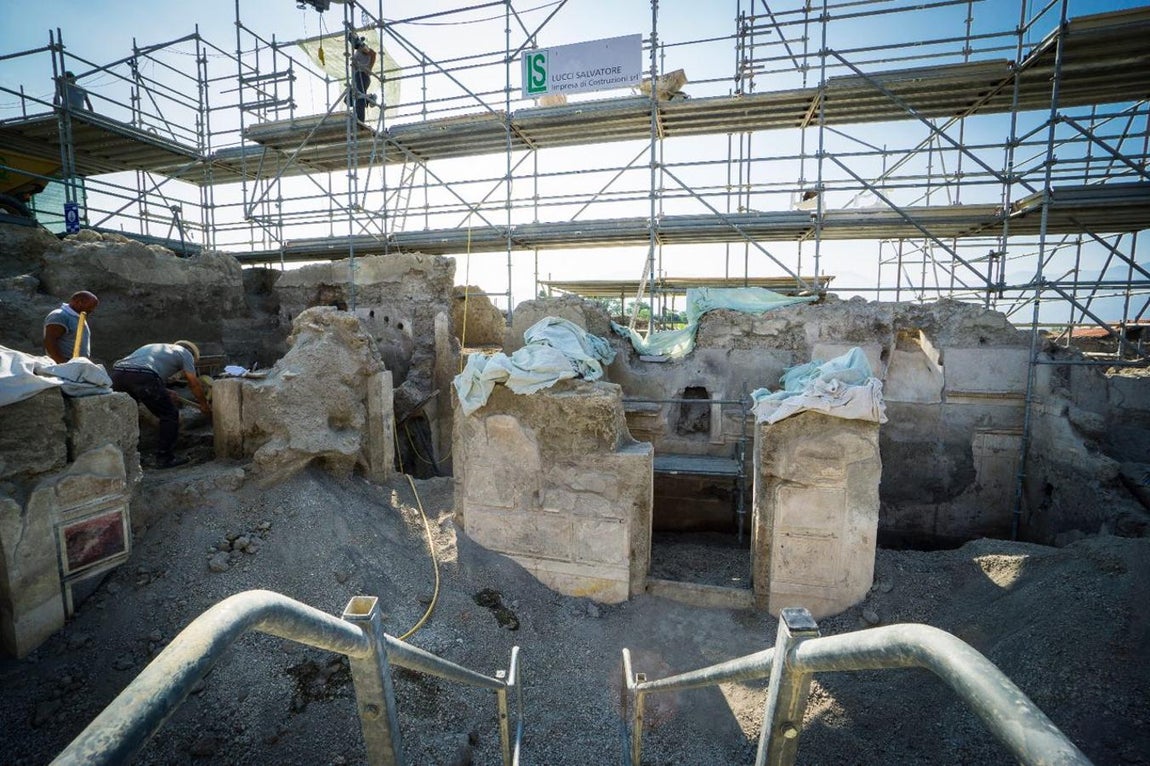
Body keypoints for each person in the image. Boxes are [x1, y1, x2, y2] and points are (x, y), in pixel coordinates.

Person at [110, 340, 211, 469]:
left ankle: (124, 458)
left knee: (128, 417)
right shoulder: (186, 354)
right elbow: (193, 383)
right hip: (142, 377)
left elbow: (138, 373)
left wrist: (164, 391)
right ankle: (165, 458)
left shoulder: (153, 347)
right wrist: (204, 405)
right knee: (169, 414)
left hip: (117, 375)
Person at [43, 290, 99, 363]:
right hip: (65, 367)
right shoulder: (60, 316)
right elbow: (50, 342)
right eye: (90, 306)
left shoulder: (78, 317)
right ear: (79, 302)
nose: (92, 310)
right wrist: (63, 364)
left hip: (75, 366)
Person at [350, 35, 376, 123]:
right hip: (357, 76)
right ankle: (369, 98)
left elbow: (373, 54)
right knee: (349, 98)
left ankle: (360, 122)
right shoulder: (358, 51)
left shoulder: (362, 47)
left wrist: (369, 68)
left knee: (359, 99)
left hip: (362, 75)